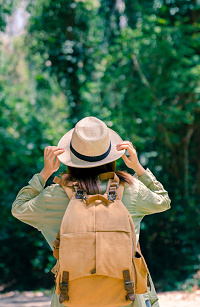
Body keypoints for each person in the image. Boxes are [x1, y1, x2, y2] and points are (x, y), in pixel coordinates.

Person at [12, 116, 171, 307]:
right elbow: (163, 201)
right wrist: (137, 167)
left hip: (70, 297)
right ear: (111, 155)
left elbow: (19, 208)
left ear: (71, 158)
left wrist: (44, 174)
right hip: (127, 296)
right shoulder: (130, 189)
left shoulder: (53, 195)